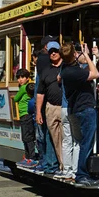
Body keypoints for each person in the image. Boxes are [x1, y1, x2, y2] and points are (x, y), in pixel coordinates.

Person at [60, 42, 99, 188]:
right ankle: (82, 175)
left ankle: (84, 173)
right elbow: (95, 73)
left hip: (77, 109)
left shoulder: (66, 69)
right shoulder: (73, 72)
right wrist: (86, 56)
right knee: (86, 143)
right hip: (84, 109)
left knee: (82, 142)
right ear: (73, 54)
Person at [30, 36, 59, 175]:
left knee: (49, 134)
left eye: (56, 51)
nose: (53, 53)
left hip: (51, 106)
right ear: (46, 47)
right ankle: (49, 163)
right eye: (51, 50)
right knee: (47, 134)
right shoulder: (44, 61)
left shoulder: (43, 61)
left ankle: (48, 162)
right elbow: (40, 91)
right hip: (49, 106)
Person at [14, 68, 37, 168]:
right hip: (28, 114)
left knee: (27, 137)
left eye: (22, 77)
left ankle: (30, 157)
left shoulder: (24, 88)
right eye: (18, 78)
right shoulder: (29, 87)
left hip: (25, 114)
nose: (20, 80)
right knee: (28, 136)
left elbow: (16, 98)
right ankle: (28, 157)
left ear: (28, 78)